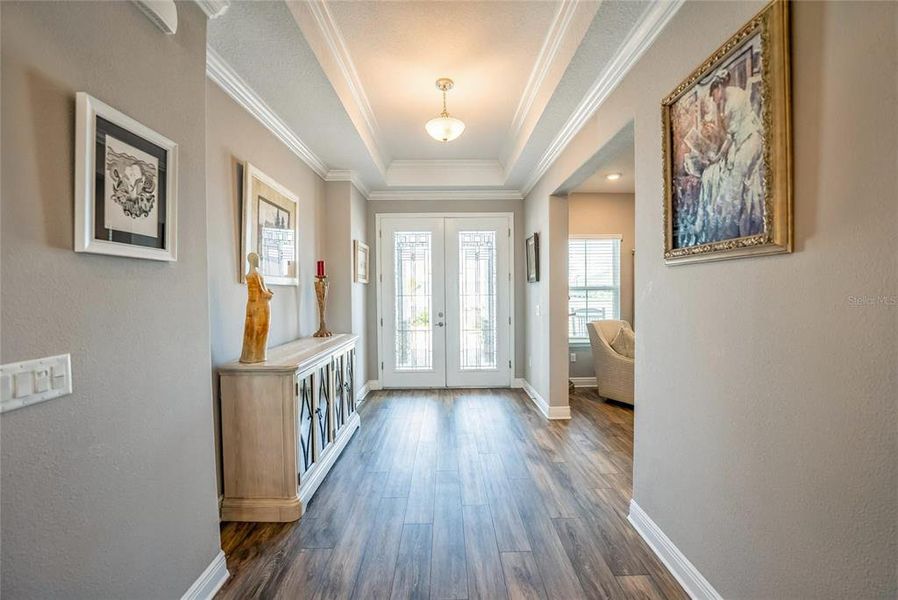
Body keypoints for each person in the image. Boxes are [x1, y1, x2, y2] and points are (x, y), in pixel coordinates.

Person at [707, 68, 764, 238]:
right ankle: (738, 229)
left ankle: (734, 230)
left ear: (718, 89)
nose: (714, 99)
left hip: (750, 141)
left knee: (735, 183)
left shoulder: (734, 100)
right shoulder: (729, 98)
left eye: (713, 95)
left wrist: (718, 156)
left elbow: (731, 136)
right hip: (742, 142)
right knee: (733, 179)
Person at [240, 252, 274, 363]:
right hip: (259, 306)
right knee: (256, 330)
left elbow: (263, 290)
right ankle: (253, 355)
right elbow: (262, 292)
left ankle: (256, 355)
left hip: (257, 305)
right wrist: (270, 295)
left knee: (257, 330)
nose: (259, 261)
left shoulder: (255, 273)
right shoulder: (254, 274)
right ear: (252, 260)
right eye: (257, 259)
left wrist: (268, 292)